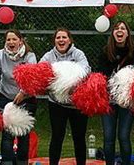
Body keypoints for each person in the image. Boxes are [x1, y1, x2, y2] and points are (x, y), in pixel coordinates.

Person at [0, 29, 37, 165]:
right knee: (7, 134)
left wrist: (23, 92)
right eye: (8, 40)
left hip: (26, 97)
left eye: (14, 39)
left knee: (23, 133)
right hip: (5, 96)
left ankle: (22, 162)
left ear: (20, 41)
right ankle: (7, 162)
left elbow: (32, 76)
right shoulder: (0, 55)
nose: (11, 42)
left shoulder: (29, 56)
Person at [40, 28, 91, 165]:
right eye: (58, 38)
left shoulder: (78, 54)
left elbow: (86, 70)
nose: (61, 40)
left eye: (64, 37)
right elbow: (39, 72)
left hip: (77, 104)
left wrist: (69, 81)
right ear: (54, 40)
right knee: (57, 136)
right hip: (56, 104)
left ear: (69, 40)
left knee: (79, 137)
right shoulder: (48, 56)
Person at [96, 21, 134, 165]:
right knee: (108, 137)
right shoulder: (104, 52)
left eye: (123, 28)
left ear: (127, 33)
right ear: (113, 33)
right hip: (109, 101)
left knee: (123, 136)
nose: (119, 31)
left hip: (127, 101)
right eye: (116, 28)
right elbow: (101, 76)